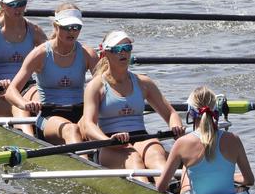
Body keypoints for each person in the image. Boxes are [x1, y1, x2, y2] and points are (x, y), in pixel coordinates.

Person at [79, 30, 184, 181]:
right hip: (109, 143)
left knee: (155, 153)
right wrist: (109, 141)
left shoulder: (143, 83)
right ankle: (150, 192)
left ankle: (171, 186)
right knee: (134, 159)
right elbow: (88, 125)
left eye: (127, 48)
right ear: (105, 54)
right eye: (117, 50)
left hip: (141, 137)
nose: (123, 53)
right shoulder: (96, 86)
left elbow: (171, 114)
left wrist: (176, 127)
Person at [4, 4, 98, 144]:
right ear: (56, 26)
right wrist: (25, 104)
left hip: (81, 112)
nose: (71, 32)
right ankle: (85, 161)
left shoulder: (88, 54)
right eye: (66, 27)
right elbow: (11, 91)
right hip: (49, 115)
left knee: (98, 126)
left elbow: (105, 88)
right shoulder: (40, 54)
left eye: (76, 27)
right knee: (72, 130)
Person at [157, 86, 254, 194]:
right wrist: (226, 176)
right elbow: (250, 180)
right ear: (216, 111)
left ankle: (186, 176)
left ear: (191, 113)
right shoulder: (234, 139)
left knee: (186, 166)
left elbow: (161, 187)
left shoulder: (181, 143)